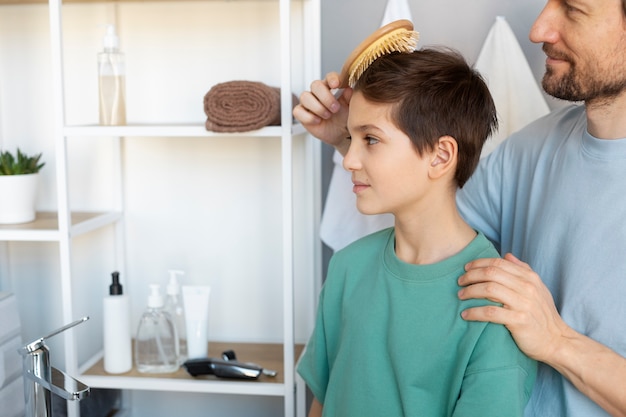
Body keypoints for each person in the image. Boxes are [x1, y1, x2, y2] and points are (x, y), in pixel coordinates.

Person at [293, 1, 626, 416]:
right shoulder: (530, 149)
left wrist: (557, 341)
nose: (538, 29)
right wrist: (356, 135)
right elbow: (429, 210)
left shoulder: (488, 327)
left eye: (574, 9)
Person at [297, 47, 536, 417]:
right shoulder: (347, 268)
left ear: (440, 156)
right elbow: (323, 403)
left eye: (370, 140)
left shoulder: (493, 307)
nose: (348, 159)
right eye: (351, 137)